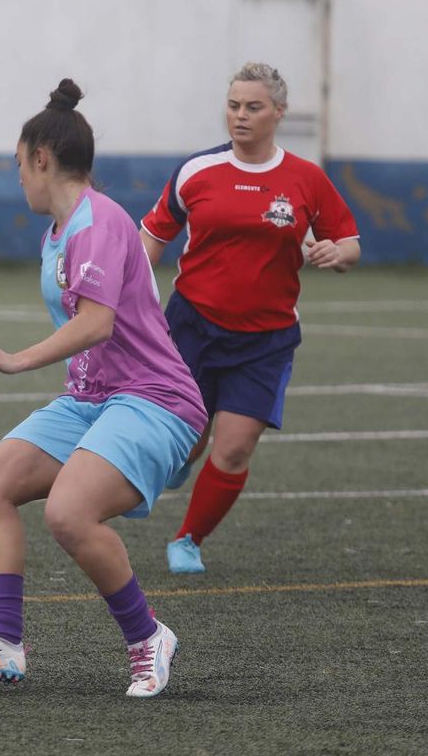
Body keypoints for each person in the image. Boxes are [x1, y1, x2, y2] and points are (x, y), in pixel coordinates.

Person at [0, 80, 207, 697]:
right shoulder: (58, 231)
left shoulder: (97, 220)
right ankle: (1, 644)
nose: (17, 178)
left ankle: (147, 638)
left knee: (69, 512)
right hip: (92, 399)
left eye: (19, 165)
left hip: (155, 399)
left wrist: (16, 360)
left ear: (41, 159)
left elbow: (97, 323)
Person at [141, 62, 361, 575]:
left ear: (278, 112)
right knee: (185, 439)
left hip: (266, 337)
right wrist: (128, 290)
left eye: (253, 107)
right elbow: (151, 236)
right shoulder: (197, 171)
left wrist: (337, 254)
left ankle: (188, 540)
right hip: (191, 326)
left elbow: (348, 242)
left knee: (235, 447)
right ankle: (180, 461)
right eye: (234, 105)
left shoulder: (306, 178)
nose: (240, 116)